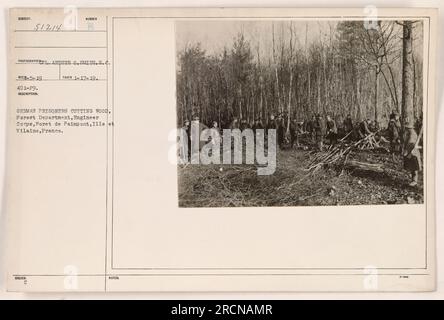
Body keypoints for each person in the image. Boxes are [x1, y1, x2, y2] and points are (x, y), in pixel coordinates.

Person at [403, 119, 422, 187]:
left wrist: (406, 151)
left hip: (413, 152)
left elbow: (410, 144)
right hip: (410, 152)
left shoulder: (412, 134)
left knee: (414, 166)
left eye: (407, 128)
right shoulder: (409, 133)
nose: (406, 129)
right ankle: (413, 180)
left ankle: (414, 181)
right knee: (412, 166)